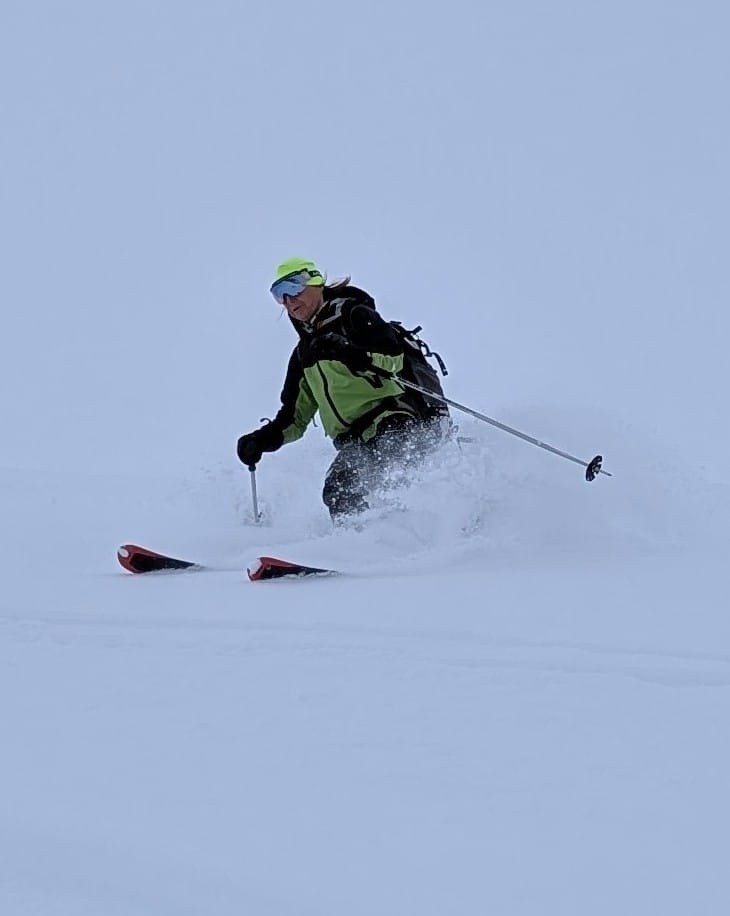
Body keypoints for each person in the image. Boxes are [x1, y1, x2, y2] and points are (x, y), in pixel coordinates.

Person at [237, 257, 449, 522]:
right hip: (355, 442)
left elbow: (393, 361)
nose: (289, 300)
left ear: (316, 282)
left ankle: (418, 537)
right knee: (338, 490)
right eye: (279, 295)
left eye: (294, 287)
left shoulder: (354, 316)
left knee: (386, 482)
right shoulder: (305, 354)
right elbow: (294, 420)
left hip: (395, 420)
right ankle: (358, 549)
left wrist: (348, 351)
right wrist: (260, 440)